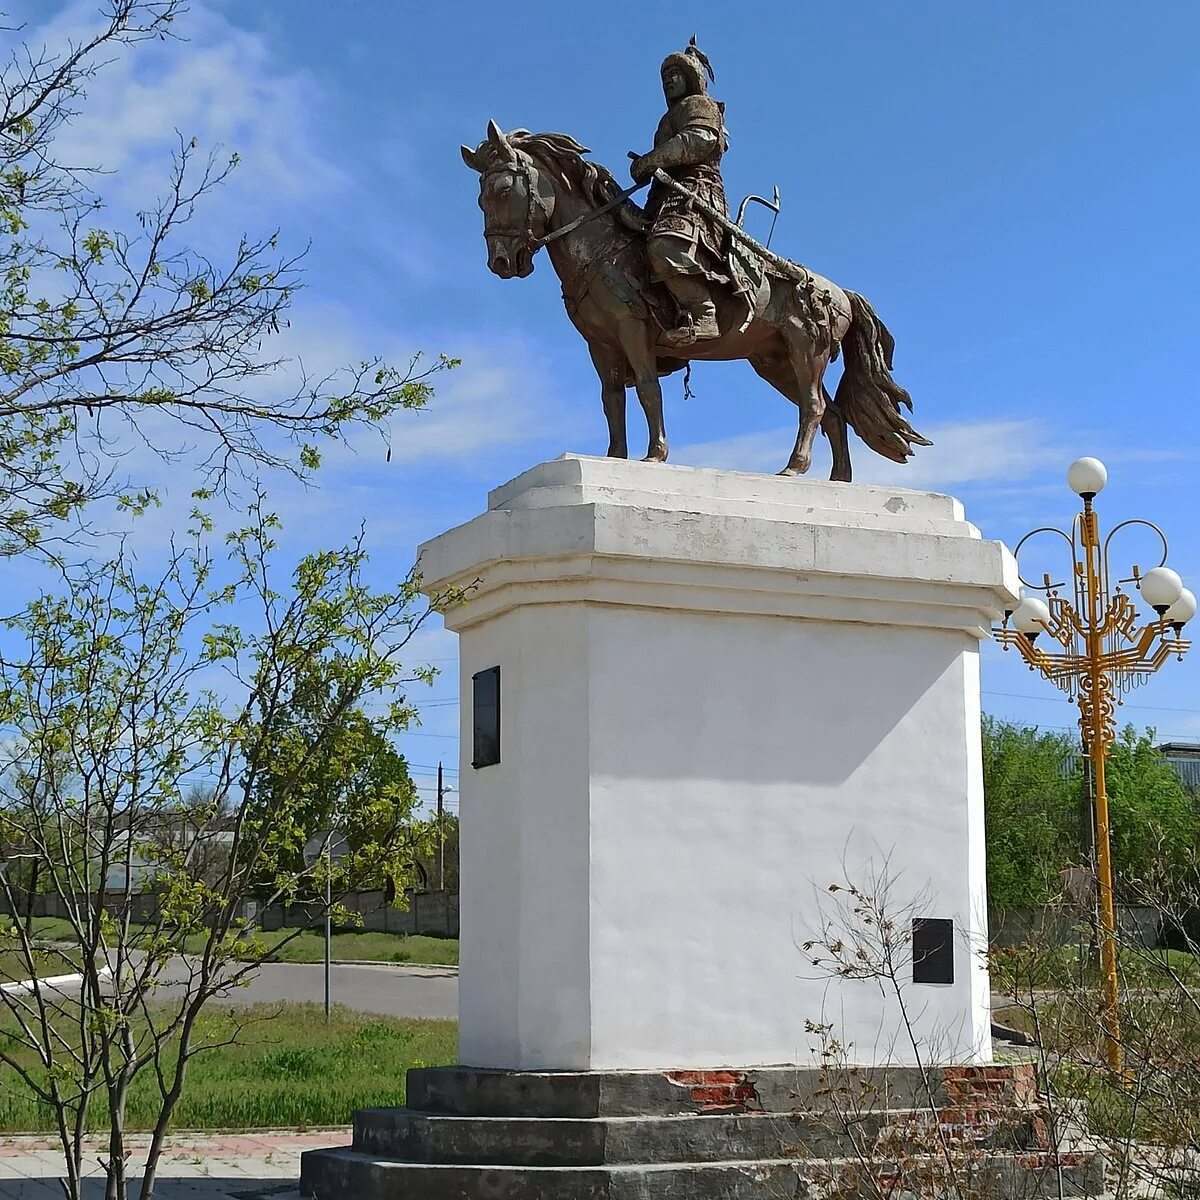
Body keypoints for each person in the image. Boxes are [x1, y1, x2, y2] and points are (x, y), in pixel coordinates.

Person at [629, 39, 730, 347]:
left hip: (694, 194)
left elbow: (701, 139)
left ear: (691, 78)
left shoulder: (698, 105)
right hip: (662, 198)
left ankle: (705, 314)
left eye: (676, 74)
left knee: (663, 247)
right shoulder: (666, 120)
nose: (670, 80)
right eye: (665, 77)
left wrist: (651, 159)